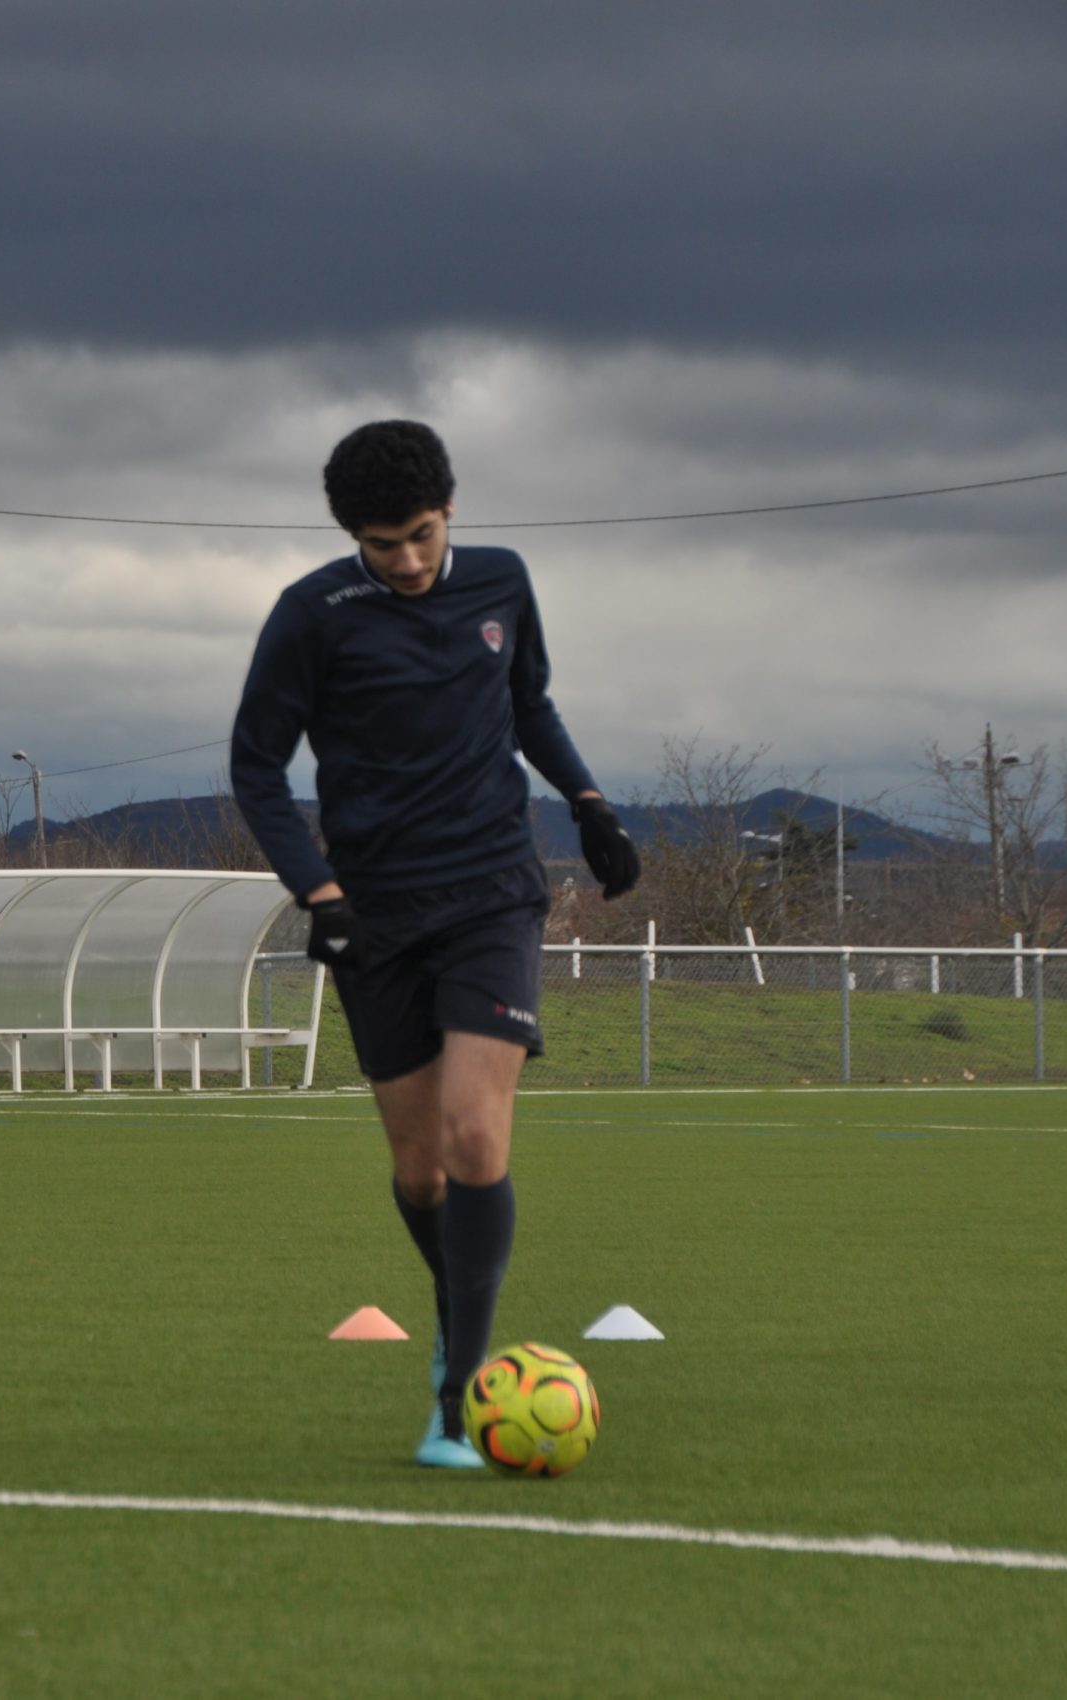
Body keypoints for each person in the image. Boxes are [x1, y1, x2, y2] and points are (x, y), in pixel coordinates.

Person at [229, 420, 639, 1469]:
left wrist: (587, 803)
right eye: (381, 545)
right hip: (372, 913)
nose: (406, 562)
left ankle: (461, 1382)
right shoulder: (310, 616)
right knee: (419, 1171)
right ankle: (457, 1314)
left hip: (492, 892)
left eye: (419, 535)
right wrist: (319, 893)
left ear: (450, 508)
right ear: (350, 538)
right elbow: (257, 771)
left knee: (472, 1137)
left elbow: (527, 705)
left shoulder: (501, 583)